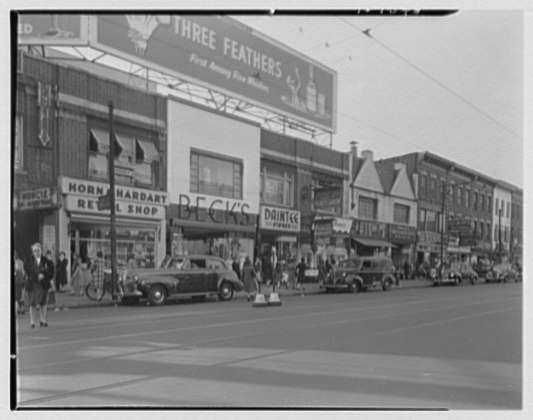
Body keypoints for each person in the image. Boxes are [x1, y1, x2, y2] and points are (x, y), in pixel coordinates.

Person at [25, 242, 54, 328]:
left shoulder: (47, 261)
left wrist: (44, 275)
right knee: (32, 303)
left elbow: (51, 271)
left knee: (43, 303)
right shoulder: (28, 260)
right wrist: (36, 276)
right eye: (35, 251)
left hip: (43, 284)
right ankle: (32, 322)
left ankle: (43, 320)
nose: (37, 252)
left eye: (38, 250)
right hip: (33, 284)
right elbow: (28, 271)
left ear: (41, 251)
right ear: (32, 252)